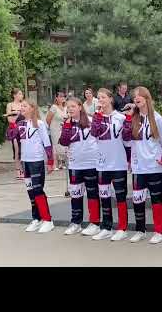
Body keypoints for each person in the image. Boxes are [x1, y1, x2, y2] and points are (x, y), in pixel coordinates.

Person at [122, 87, 162, 244]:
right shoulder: (132, 118)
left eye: (139, 96)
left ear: (147, 98)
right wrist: (128, 118)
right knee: (137, 199)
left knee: (156, 199)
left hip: (154, 166)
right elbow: (126, 140)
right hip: (138, 167)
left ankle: (158, 231)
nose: (136, 98)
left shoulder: (157, 118)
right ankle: (140, 230)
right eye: (134, 96)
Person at [6, 99, 55, 233]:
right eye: (21, 106)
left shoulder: (39, 124)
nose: (21, 108)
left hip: (37, 161)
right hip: (25, 161)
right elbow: (10, 137)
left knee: (38, 190)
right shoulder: (20, 124)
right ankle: (36, 218)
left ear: (32, 108)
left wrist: (50, 162)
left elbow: (47, 143)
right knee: (30, 191)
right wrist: (11, 124)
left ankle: (47, 220)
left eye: (24, 106)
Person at [90, 88, 131, 241]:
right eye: (98, 97)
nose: (100, 100)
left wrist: (129, 160)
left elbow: (127, 139)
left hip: (118, 163)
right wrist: (99, 115)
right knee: (104, 196)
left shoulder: (120, 117)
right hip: (102, 164)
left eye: (103, 97)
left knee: (120, 196)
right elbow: (94, 133)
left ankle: (122, 228)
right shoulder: (97, 117)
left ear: (110, 99)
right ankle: (106, 227)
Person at [59, 97, 101, 236]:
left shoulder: (90, 120)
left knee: (92, 194)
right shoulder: (67, 124)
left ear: (80, 107)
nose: (70, 109)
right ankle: (75, 222)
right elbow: (64, 142)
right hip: (75, 164)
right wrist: (66, 125)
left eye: (73, 106)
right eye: (68, 107)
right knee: (76, 194)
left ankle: (94, 223)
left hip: (91, 164)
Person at [46, 91, 68, 170]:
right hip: (55, 128)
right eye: (60, 97)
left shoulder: (66, 108)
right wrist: (50, 127)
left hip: (63, 128)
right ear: (57, 98)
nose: (62, 98)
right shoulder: (54, 107)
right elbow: (48, 119)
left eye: (63, 97)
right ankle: (54, 164)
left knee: (63, 145)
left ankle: (61, 163)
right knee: (56, 145)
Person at [6, 88, 25, 179]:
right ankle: (18, 171)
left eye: (22, 94)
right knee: (17, 150)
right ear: (14, 95)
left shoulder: (23, 105)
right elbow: (10, 119)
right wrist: (17, 113)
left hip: (24, 130)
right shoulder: (10, 105)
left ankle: (24, 169)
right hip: (14, 130)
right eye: (20, 94)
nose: (22, 95)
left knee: (24, 150)